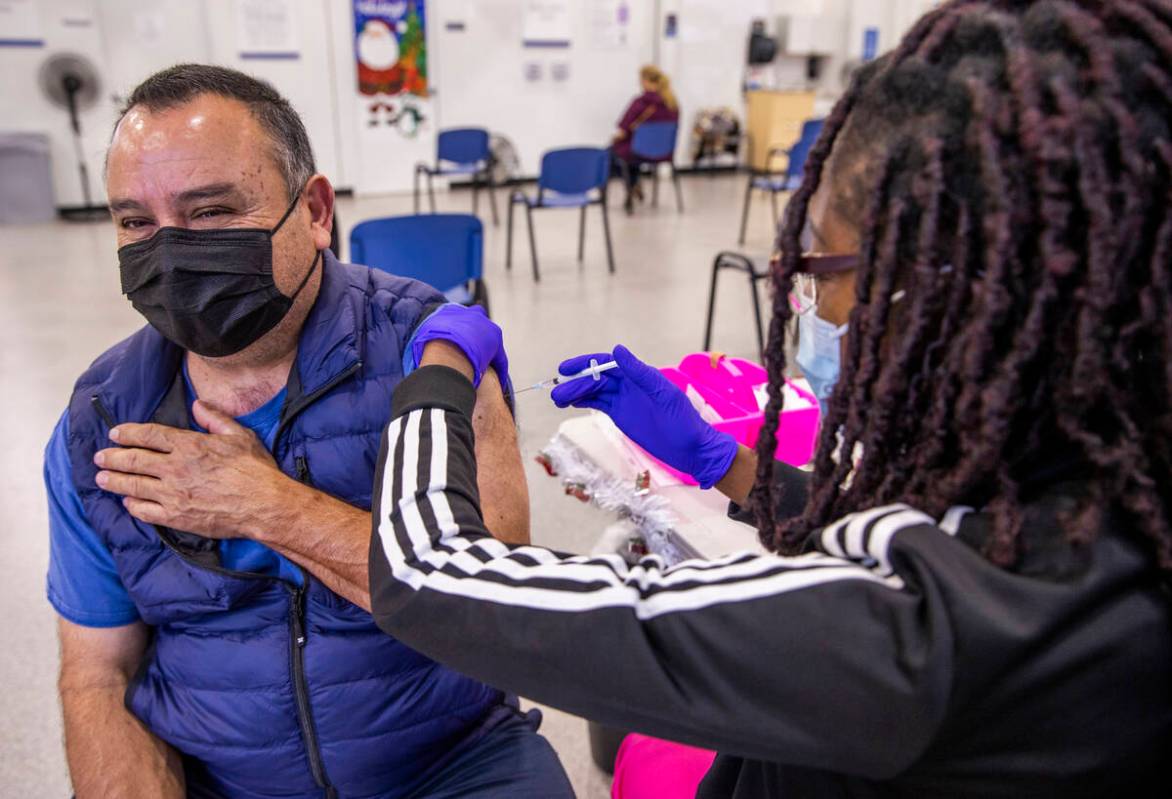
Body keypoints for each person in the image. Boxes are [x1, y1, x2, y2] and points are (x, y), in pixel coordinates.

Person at [365, 2, 1172, 797]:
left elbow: (430, 575)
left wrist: (435, 377)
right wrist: (729, 465)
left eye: (822, 267)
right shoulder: (1095, 513)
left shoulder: (932, 634)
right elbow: (901, 528)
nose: (811, 305)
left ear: (949, 292)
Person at [45, 64, 573, 798]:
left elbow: (495, 602)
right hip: (221, 774)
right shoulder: (102, 422)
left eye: (212, 210)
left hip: (450, 756)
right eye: (137, 221)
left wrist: (265, 505)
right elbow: (99, 674)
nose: (169, 252)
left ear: (317, 211)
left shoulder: (432, 355)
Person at [611, 65, 680, 213]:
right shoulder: (672, 103)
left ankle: (633, 184)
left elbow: (623, 130)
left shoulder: (640, 102)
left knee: (611, 154)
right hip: (665, 152)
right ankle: (634, 184)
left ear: (645, 81)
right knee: (627, 154)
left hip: (637, 151)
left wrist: (616, 138)